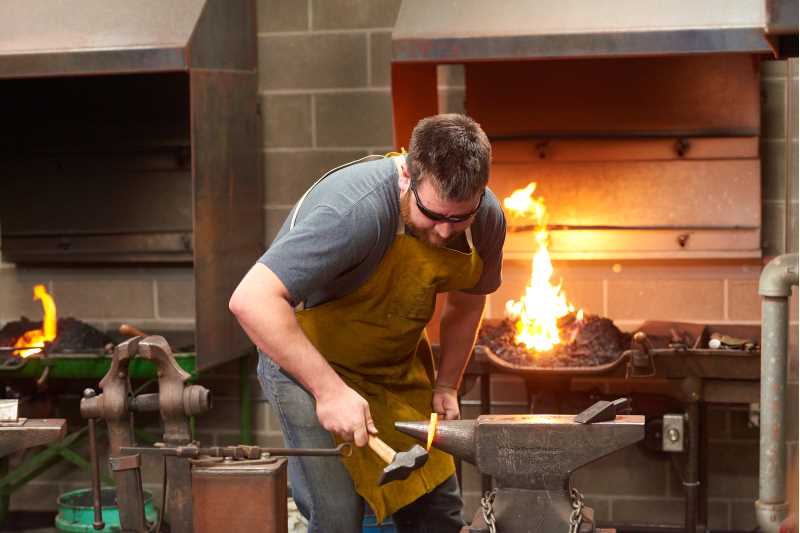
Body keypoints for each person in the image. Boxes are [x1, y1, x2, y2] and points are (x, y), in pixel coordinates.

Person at [229, 113, 506, 533]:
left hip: (392, 368)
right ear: (406, 176)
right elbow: (251, 300)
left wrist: (447, 383)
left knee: (437, 510)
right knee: (338, 516)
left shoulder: (486, 218)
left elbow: (468, 303)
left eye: (459, 218)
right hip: (309, 365)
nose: (446, 232)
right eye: (433, 215)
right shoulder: (353, 211)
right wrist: (329, 392)